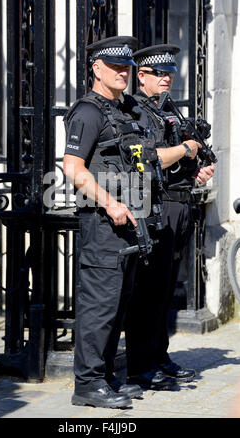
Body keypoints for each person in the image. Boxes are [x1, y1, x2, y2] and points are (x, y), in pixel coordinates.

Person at [124, 44, 215, 389]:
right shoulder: (136, 111)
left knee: (164, 291)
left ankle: (158, 357)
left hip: (178, 201)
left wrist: (195, 173)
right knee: (147, 290)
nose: (166, 79)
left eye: (170, 73)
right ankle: (140, 364)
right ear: (142, 75)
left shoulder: (167, 109)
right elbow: (146, 161)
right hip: (153, 206)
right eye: (159, 73)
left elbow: (176, 164)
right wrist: (185, 151)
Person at [63, 36, 144, 409]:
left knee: (116, 304)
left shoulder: (122, 110)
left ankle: (106, 378)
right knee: (98, 305)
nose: (123, 71)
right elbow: (72, 168)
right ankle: (88, 384)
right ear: (96, 68)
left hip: (126, 223)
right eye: (115, 66)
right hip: (102, 223)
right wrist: (110, 203)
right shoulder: (88, 112)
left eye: (126, 65)